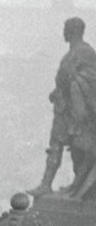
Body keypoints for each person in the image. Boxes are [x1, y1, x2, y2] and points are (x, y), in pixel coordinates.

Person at [33, 17, 96, 196]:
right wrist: (57, 91)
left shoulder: (85, 52)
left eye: (65, 29)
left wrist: (72, 83)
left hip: (75, 111)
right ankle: (47, 184)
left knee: (78, 149)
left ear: (73, 31)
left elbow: (91, 78)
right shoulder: (73, 52)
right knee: (56, 145)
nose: (63, 33)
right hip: (64, 108)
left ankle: (77, 187)